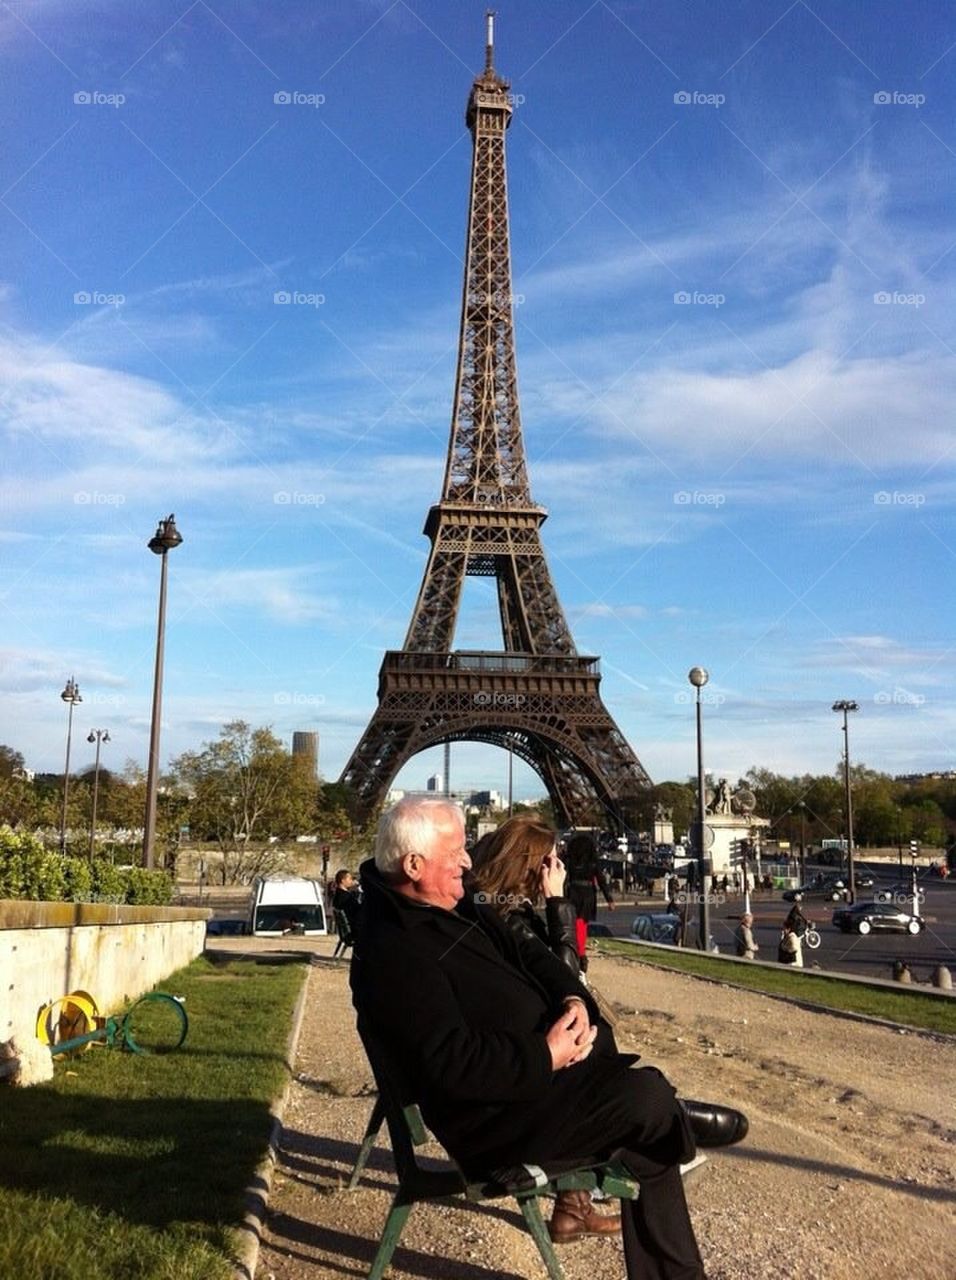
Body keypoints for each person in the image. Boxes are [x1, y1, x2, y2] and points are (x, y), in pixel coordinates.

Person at [351, 797, 749, 1280]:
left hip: (536, 1092)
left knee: (645, 1123)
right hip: (496, 1122)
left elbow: (530, 954)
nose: (467, 860)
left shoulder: (457, 901)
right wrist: (547, 1053)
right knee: (645, 1096)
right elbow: (450, 1064)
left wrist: (573, 1000)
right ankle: (673, 1114)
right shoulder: (392, 949)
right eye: (455, 850)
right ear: (413, 864)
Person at [471, 815, 618, 1241]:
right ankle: (576, 1203)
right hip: (526, 1071)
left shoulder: (494, 909)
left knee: (595, 1049)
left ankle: (575, 1203)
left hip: (515, 1058)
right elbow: (567, 980)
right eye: (551, 859)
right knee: (593, 1054)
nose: (558, 867)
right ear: (531, 865)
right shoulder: (511, 919)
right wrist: (557, 901)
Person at [563, 831, 614, 973]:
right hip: (587, 894)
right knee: (582, 924)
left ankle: (575, 951)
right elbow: (601, 880)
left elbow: (564, 878)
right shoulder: (593, 862)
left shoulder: (570, 861)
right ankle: (581, 953)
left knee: (571, 923)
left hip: (573, 891)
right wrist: (609, 899)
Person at [331, 868, 361, 958]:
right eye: (350, 878)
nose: (352, 881)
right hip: (353, 930)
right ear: (343, 880)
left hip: (346, 930)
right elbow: (357, 911)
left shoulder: (338, 895)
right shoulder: (346, 897)